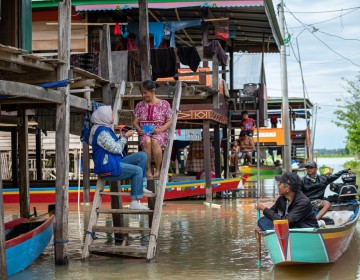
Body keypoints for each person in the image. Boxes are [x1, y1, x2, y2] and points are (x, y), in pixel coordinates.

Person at [90, 105, 150, 210]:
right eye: (110, 114)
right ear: (104, 117)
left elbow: (113, 147)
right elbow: (117, 149)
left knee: (142, 155)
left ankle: (140, 186)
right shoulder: (102, 132)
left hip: (115, 161)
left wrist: (122, 136)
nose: (112, 116)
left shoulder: (106, 129)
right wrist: (125, 137)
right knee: (138, 171)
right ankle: (134, 202)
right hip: (108, 167)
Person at [133, 80, 173, 178]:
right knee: (147, 141)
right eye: (142, 93)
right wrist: (139, 129)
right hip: (145, 131)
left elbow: (169, 121)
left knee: (155, 141)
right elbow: (135, 122)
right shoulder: (139, 105)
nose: (143, 95)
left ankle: (158, 170)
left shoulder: (164, 104)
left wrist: (160, 130)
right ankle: (148, 170)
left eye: (145, 93)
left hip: (159, 131)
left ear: (153, 91)